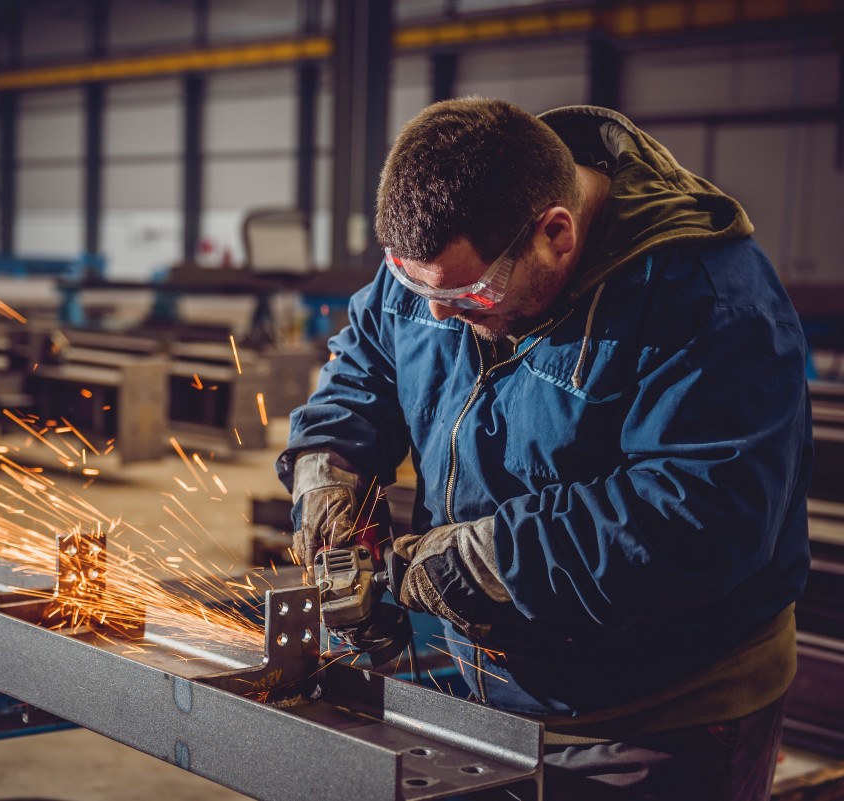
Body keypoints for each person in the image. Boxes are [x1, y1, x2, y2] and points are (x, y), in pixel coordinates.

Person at [278, 98, 812, 800]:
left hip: (650, 715)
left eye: (469, 293)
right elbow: (368, 364)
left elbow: (705, 519)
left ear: (555, 234)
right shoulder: (441, 265)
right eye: (414, 285)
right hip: (469, 679)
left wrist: (485, 559)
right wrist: (328, 477)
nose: (438, 314)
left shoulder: (708, 299)